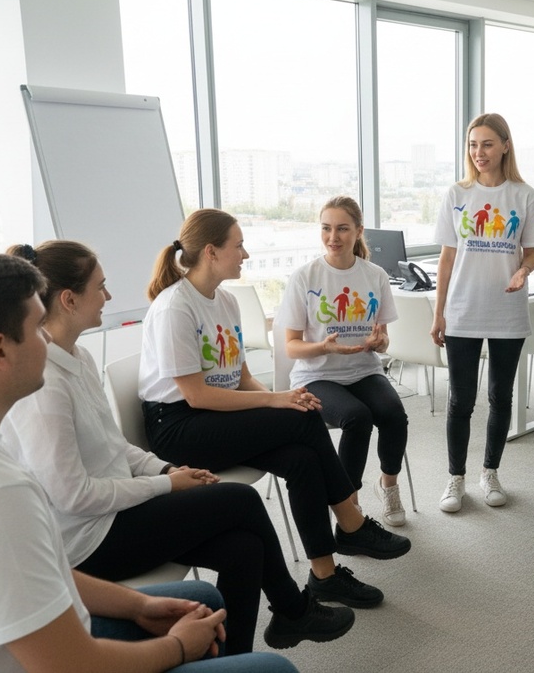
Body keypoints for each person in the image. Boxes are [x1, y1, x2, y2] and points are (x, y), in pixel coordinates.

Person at [0, 249, 295, 672]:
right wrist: (178, 647)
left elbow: (31, 568)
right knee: (274, 668)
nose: (47, 340)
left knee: (204, 595)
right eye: (37, 328)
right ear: (0, 351)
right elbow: (71, 665)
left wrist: (139, 605)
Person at [1, 240, 354, 655]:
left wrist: (166, 470)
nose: (108, 296)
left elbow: (115, 447)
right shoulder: (44, 385)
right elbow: (73, 496)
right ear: (68, 299)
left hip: (116, 511)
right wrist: (166, 486)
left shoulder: (76, 357)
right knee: (242, 500)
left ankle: (232, 659)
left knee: (244, 549)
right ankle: (293, 610)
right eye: (100, 286)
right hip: (88, 541)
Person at [139, 209, 410, 610]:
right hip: (179, 426)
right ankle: (350, 522)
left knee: (302, 456)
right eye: (239, 246)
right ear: (211, 252)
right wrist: (274, 400)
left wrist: (285, 397)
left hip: (216, 417)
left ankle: (325, 576)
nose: (246, 254)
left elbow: (242, 377)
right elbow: (196, 396)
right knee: (303, 420)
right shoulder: (175, 307)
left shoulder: (226, 301)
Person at [430, 112, 534, 512]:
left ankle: (490, 472)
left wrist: (522, 271)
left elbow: (531, 254)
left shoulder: (524, 195)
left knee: (501, 396)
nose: (478, 152)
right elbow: (447, 258)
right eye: (472, 145)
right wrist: (438, 312)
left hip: (507, 310)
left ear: (505, 146)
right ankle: (455, 478)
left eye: (486, 144)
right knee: (460, 400)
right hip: (462, 309)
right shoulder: (457, 194)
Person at [278, 197, 409, 526]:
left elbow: (384, 338)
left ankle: (389, 486)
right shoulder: (305, 276)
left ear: (359, 231)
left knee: (394, 414)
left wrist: (380, 342)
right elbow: (291, 347)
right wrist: (324, 348)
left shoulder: (375, 275)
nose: (332, 237)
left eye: (342, 229)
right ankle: (349, 503)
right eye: (326, 228)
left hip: (364, 371)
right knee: (356, 418)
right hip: (316, 375)